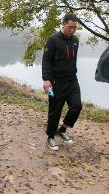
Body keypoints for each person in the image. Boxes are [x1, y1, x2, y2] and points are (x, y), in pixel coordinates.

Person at [42, 13, 82, 151]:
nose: (72, 30)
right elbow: (46, 60)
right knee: (55, 111)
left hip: (72, 81)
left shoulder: (76, 41)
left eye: (75, 27)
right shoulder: (53, 40)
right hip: (55, 83)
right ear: (63, 24)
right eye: (70, 27)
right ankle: (50, 137)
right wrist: (46, 79)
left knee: (76, 106)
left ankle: (62, 129)